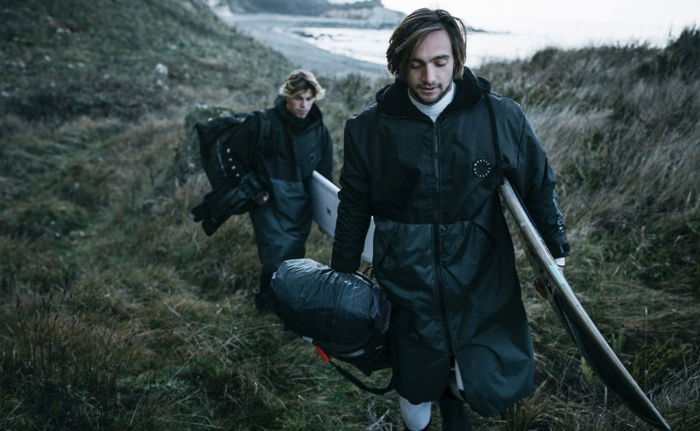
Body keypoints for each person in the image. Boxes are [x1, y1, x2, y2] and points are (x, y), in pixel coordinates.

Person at [330, 9, 569, 431]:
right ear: (398, 65)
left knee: (480, 369)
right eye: (416, 64)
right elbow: (353, 203)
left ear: (457, 60)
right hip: (407, 276)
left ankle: (456, 403)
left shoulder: (499, 116)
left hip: (482, 272)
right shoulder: (367, 128)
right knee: (415, 379)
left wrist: (556, 254)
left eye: (440, 62)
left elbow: (537, 183)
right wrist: (343, 273)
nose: (429, 77)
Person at [249, 69, 333, 312]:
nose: (304, 105)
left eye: (309, 99)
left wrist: (324, 215)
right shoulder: (267, 122)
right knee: (276, 255)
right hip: (270, 202)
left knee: (293, 256)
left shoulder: (319, 130)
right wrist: (257, 191)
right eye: (298, 98)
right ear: (287, 96)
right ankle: (269, 304)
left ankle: (278, 306)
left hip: (300, 207)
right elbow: (248, 162)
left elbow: (323, 175)